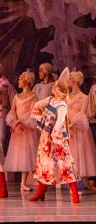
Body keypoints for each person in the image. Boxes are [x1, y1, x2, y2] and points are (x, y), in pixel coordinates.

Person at [29, 68, 79, 202]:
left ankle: (74, 193)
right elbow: (37, 105)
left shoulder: (62, 105)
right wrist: (42, 120)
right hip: (46, 137)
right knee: (44, 163)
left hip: (57, 138)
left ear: (60, 90)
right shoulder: (50, 100)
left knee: (65, 163)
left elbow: (60, 121)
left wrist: (55, 134)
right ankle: (41, 192)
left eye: (56, 87)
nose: (53, 88)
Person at [4, 71, 38, 192]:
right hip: (18, 130)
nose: (18, 81)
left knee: (28, 154)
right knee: (21, 154)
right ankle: (22, 183)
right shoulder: (16, 97)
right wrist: (14, 122)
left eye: (21, 79)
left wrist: (19, 122)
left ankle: (26, 182)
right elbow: (12, 111)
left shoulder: (34, 96)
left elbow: (32, 112)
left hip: (27, 128)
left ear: (27, 81)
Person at [66, 71, 96, 190]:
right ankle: (74, 185)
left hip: (79, 129)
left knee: (80, 155)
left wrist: (72, 124)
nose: (68, 80)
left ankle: (86, 184)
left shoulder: (84, 97)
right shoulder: (67, 96)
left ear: (75, 81)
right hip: (69, 128)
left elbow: (82, 114)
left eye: (70, 78)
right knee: (71, 156)